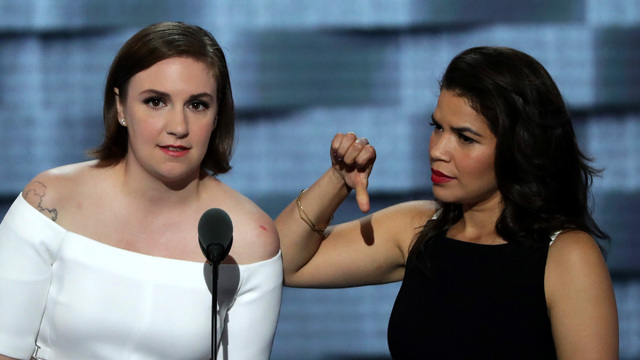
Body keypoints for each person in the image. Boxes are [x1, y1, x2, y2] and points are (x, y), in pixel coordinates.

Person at [276, 46, 619, 359]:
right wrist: (338, 179)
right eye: (437, 127)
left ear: (521, 147)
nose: (437, 151)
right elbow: (284, 262)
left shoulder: (568, 255)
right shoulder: (416, 229)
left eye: (465, 137)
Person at [0, 22, 282, 360]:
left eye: (197, 105)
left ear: (217, 113)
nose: (178, 127)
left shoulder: (249, 238)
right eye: (156, 102)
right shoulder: (47, 202)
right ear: (120, 107)